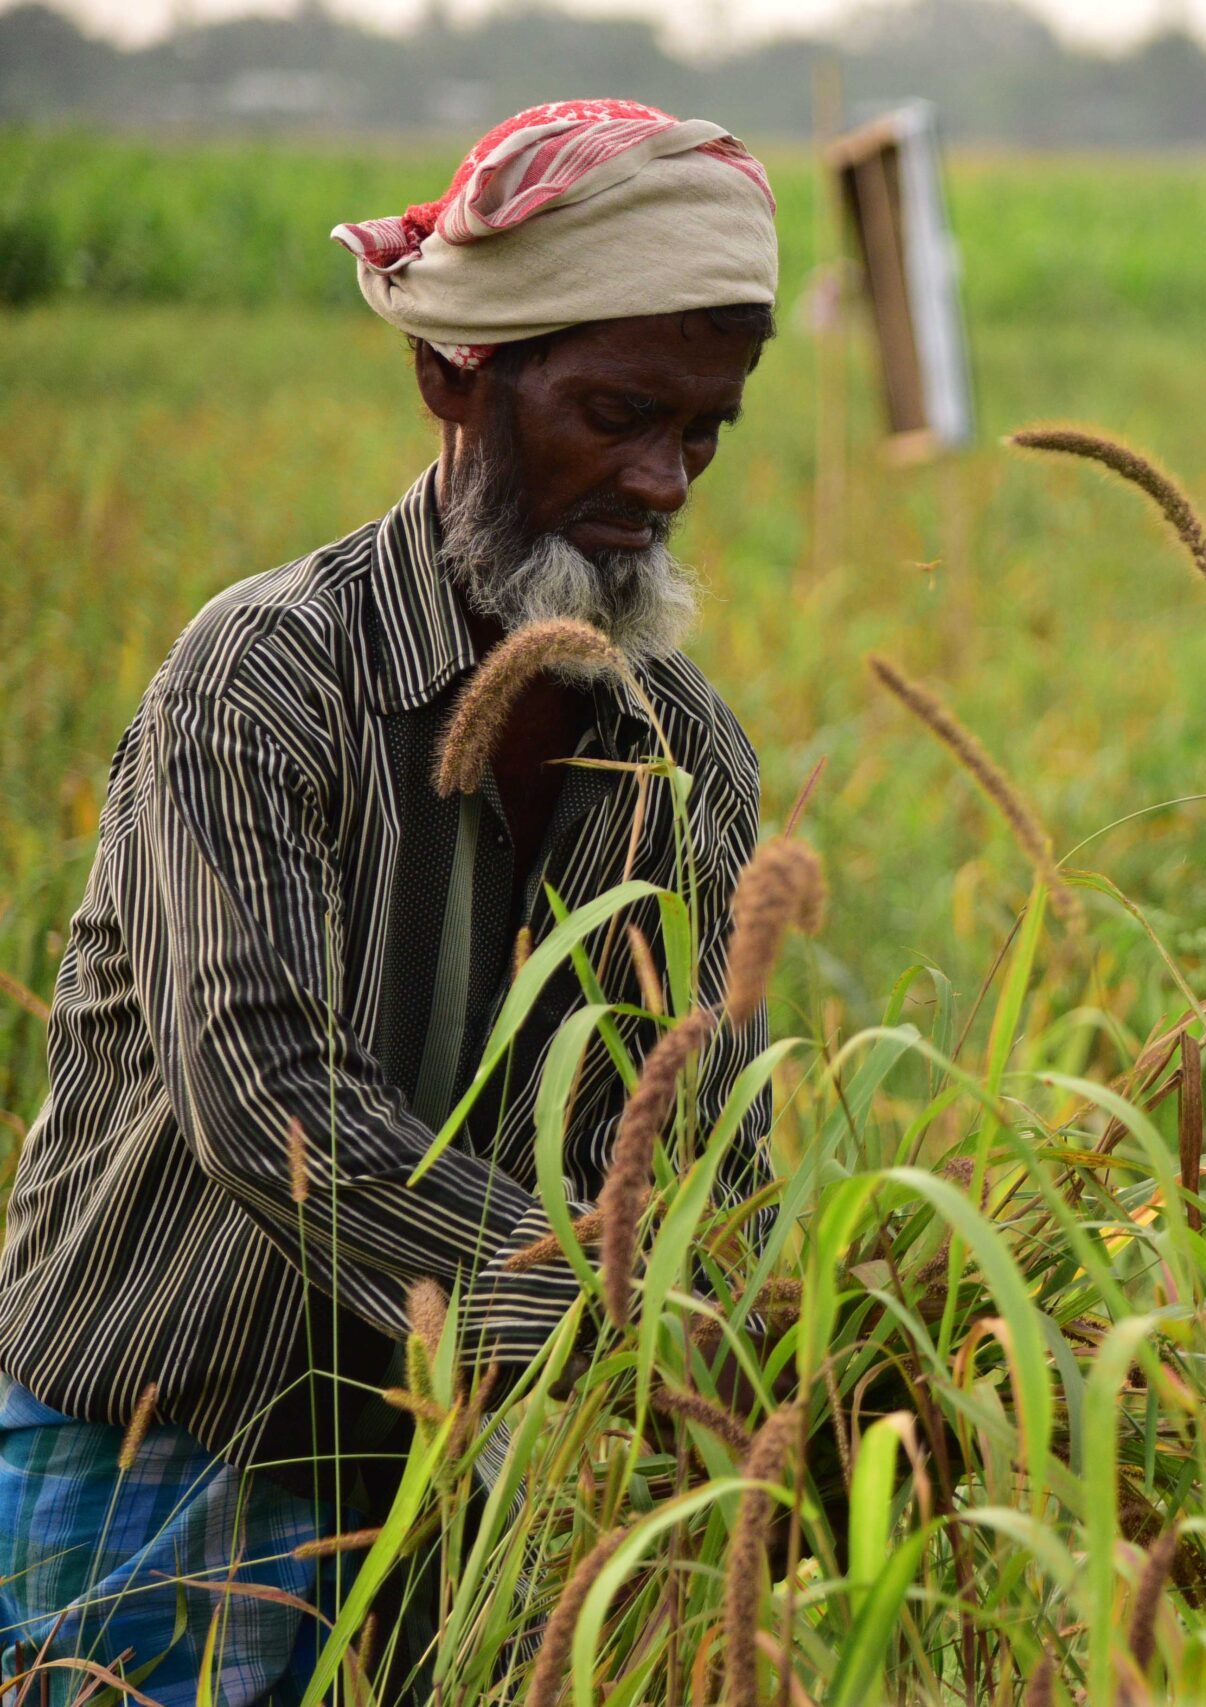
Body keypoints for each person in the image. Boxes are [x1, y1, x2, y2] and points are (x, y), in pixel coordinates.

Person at [0, 99, 780, 1702]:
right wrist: (613, 1315)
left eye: (705, 430)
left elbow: (702, 1128)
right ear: (456, 377)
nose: (666, 478)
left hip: (428, 1505)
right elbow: (270, 1107)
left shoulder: (681, 753)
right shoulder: (265, 677)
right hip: (140, 1470)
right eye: (622, 411)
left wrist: (793, 1341)